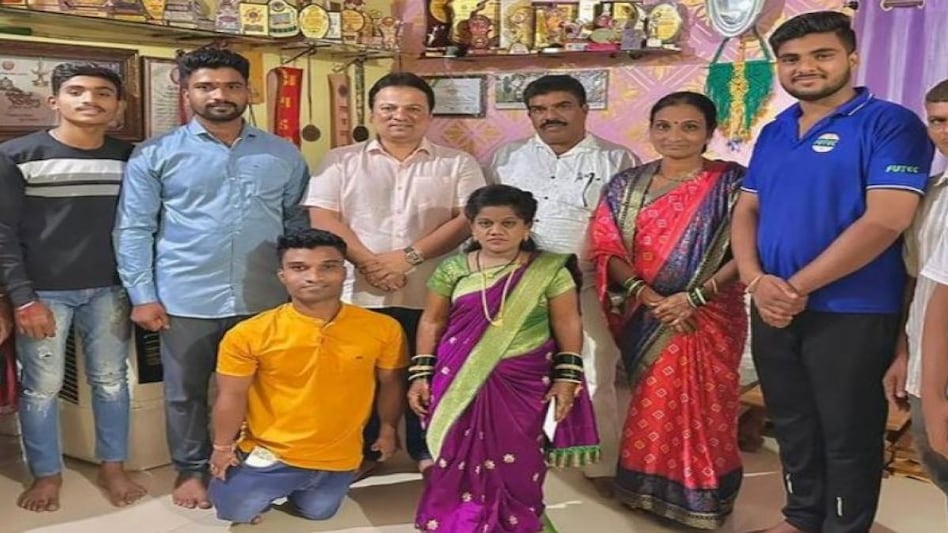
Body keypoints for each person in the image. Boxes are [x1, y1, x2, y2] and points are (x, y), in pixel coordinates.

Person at [730, 12, 934, 533]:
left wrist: (795, 287)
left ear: (852, 57)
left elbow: (887, 218)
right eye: (792, 59)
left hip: (853, 309)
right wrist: (756, 280)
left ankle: (845, 527)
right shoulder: (776, 129)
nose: (805, 68)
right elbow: (747, 210)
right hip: (773, 304)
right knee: (793, 424)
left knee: (847, 431)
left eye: (821, 54)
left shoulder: (890, 123)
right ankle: (801, 518)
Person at [113, 48, 310, 509]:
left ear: (247, 91)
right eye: (206, 86)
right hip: (185, 296)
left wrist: (301, 290)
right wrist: (143, 295)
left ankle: (261, 466)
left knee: (269, 389)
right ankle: (192, 470)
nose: (219, 95)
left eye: (231, 86)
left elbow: (298, 227)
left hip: (265, 296)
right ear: (187, 92)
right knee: (186, 393)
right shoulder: (156, 154)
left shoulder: (282, 153)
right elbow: (134, 227)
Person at [306, 72, 485, 476]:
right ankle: (366, 451)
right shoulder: (340, 159)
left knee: (431, 368)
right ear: (372, 113)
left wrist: (409, 257)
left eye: (412, 109)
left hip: (433, 292)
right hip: (359, 291)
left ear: (429, 116)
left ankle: (427, 451)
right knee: (362, 373)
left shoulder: (458, 162)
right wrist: (369, 262)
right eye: (388, 108)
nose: (399, 116)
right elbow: (323, 216)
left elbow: (467, 218)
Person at [589, 92, 746, 529]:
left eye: (689, 126)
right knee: (650, 401)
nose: (675, 136)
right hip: (647, 313)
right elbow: (606, 247)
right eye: (664, 126)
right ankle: (645, 489)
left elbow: (753, 248)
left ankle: (703, 496)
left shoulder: (735, 183)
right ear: (651, 129)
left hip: (711, 313)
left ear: (709, 132)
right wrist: (647, 295)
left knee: (708, 405)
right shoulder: (625, 185)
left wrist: (693, 298)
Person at [409, 184, 599, 533]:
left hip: (524, 381)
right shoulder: (453, 269)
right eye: (485, 223)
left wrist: (566, 377)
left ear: (527, 226)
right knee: (454, 449)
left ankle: (515, 519)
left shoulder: (549, 270)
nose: (495, 231)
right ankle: (456, 519)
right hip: (457, 375)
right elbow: (432, 320)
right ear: (472, 226)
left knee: (520, 452)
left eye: (508, 223)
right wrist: (421, 373)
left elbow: (568, 322)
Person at [0, 63, 145, 512]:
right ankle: (46, 473)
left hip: (110, 290)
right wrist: (22, 298)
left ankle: (113, 465)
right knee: (41, 387)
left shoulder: (131, 157)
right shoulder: (16, 155)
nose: (89, 100)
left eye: (103, 93)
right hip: (43, 294)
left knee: (111, 382)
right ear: (54, 101)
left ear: (118, 106)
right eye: (76, 91)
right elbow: (2, 232)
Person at [486, 74, 637, 493]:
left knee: (594, 365)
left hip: (585, 283)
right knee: (515, 370)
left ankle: (599, 462)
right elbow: (487, 220)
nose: (550, 116)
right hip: (517, 282)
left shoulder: (616, 160)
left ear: (584, 109)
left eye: (562, 106)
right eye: (539, 109)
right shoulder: (506, 158)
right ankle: (520, 451)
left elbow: (630, 228)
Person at [207, 229, 407, 524]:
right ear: (282, 276)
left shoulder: (383, 328)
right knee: (233, 510)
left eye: (328, 266)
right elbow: (231, 395)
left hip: (339, 457)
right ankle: (258, 481)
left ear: (344, 272)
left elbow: (391, 383)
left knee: (318, 513)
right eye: (299, 268)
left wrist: (388, 429)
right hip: (271, 453)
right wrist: (222, 448)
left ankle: (310, 485)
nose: (314, 277)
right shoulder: (249, 334)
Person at [885, 79, 948, 491]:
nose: (945, 130)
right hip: (927, 363)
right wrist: (902, 353)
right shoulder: (930, 194)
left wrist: (936, 395)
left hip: (937, 377)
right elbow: (914, 281)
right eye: (938, 120)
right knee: (937, 465)